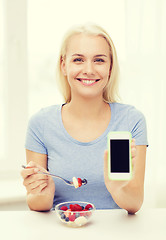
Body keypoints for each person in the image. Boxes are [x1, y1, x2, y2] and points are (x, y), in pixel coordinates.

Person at [21, 23, 148, 214]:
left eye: (99, 60)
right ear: (64, 65)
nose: (89, 70)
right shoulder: (40, 124)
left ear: (110, 67)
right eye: (78, 60)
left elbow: (135, 203)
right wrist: (42, 193)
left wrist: (116, 187)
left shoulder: (131, 121)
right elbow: (36, 203)